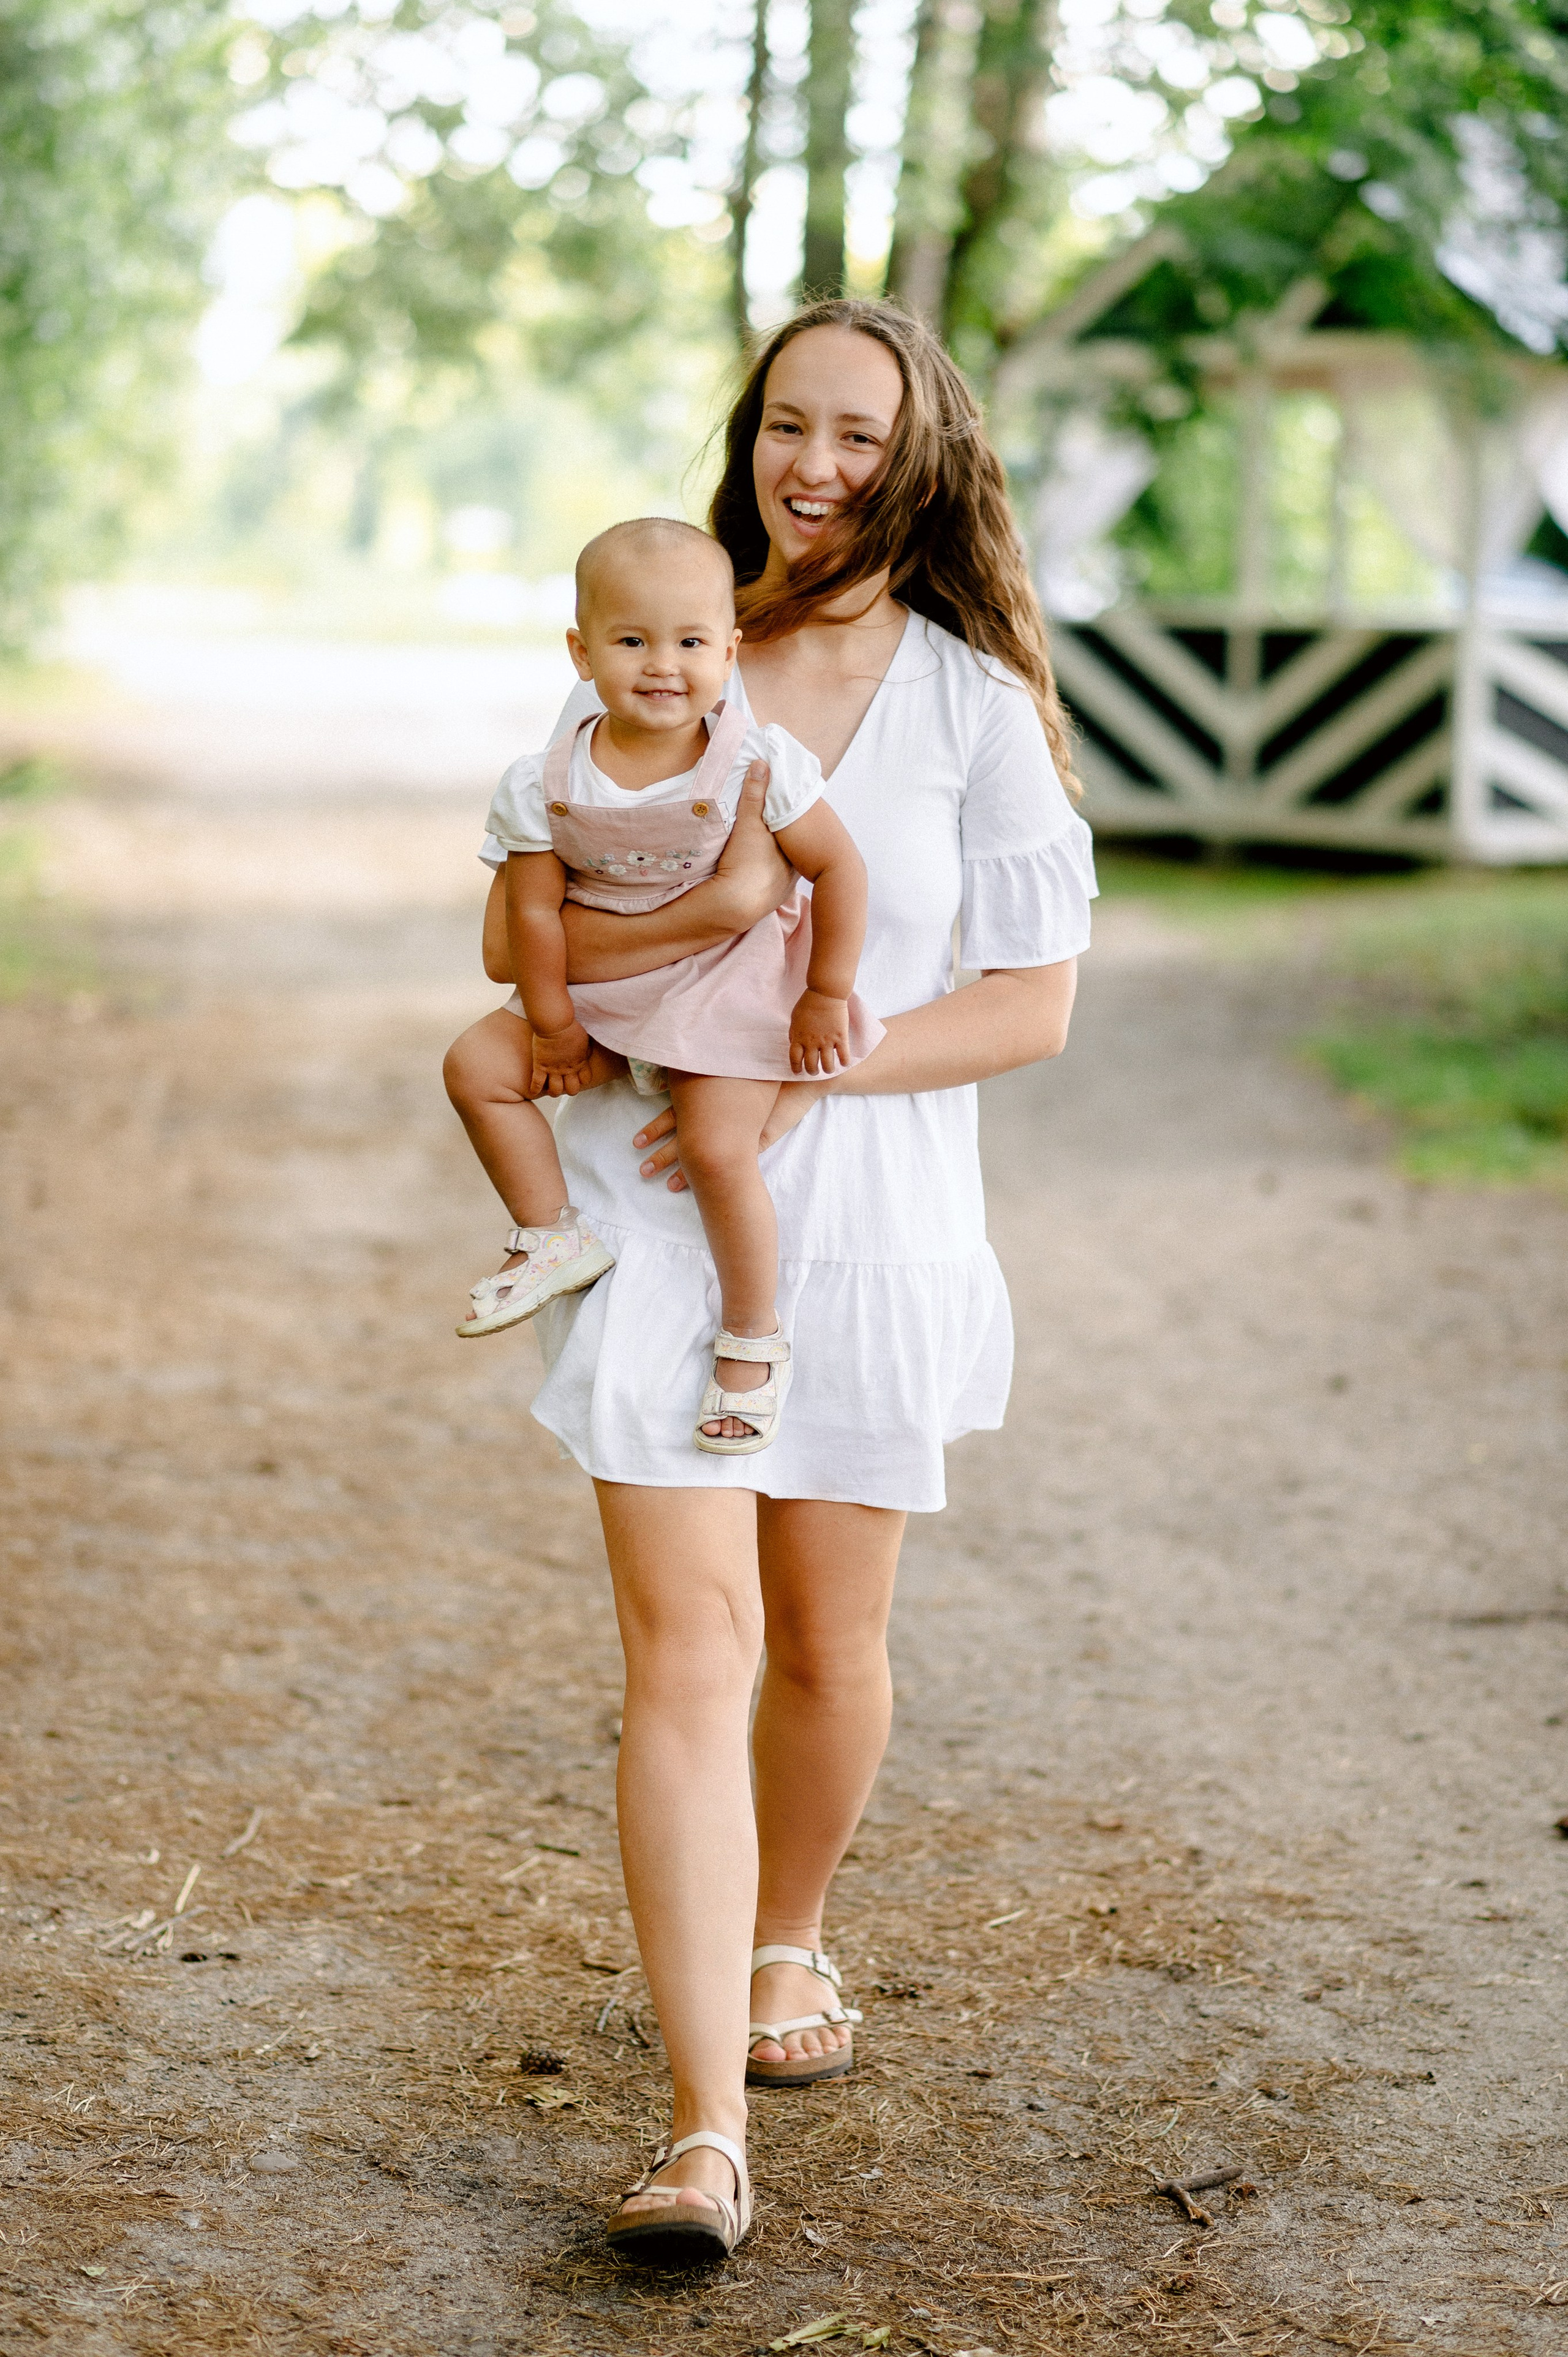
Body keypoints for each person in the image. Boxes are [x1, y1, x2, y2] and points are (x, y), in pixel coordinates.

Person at [453, 297, 1095, 2265]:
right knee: (689, 1653)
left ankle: (787, 1934)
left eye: (858, 435)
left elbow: (1034, 1008)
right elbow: (529, 928)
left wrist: (811, 1070)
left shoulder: (976, 705)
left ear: (925, 461)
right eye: (785, 425)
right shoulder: (662, 644)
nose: (812, 466)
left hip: (872, 1211)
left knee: (825, 1644)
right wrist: (663, 963)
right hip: (661, 1207)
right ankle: (703, 2137)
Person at [444, 516, 883, 1455]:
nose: (662, 666)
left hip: (727, 987)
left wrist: (823, 992)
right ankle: (551, 1233)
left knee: (719, 1147)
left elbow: (841, 869)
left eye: (689, 642)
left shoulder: (761, 764)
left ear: (729, 652)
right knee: (475, 1066)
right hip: (606, 993)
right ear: (582, 653)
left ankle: (752, 1337)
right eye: (632, 641)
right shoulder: (545, 781)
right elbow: (530, 920)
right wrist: (552, 1026)